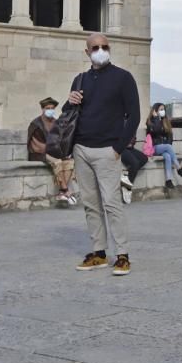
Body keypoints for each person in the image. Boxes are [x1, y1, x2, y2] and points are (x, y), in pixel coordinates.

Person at [64, 33, 140, 276]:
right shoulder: (80, 79)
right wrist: (69, 101)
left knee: (111, 203)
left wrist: (118, 148)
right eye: (95, 47)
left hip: (108, 150)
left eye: (104, 46)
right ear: (87, 52)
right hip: (82, 149)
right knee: (90, 203)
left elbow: (134, 115)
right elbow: (68, 114)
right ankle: (98, 252)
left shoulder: (123, 78)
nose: (100, 50)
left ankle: (122, 255)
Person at [27, 97, 77, 206]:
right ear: (43, 109)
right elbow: (36, 145)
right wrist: (54, 150)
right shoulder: (36, 124)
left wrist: (62, 151)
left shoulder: (57, 122)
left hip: (55, 151)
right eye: (48, 108)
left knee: (70, 161)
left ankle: (61, 192)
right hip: (39, 153)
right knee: (57, 162)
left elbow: (62, 140)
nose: (50, 110)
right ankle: (64, 190)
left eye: (52, 108)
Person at [143, 102, 182, 191]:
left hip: (165, 148)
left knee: (167, 156)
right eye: (161, 109)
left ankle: (168, 180)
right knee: (167, 147)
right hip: (154, 148)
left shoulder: (166, 121)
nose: (163, 111)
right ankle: (178, 167)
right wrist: (156, 119)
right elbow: (155, 131)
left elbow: (170, 136)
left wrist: (167, 144)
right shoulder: (150, 121)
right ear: (155, 111)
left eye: (163, 109)